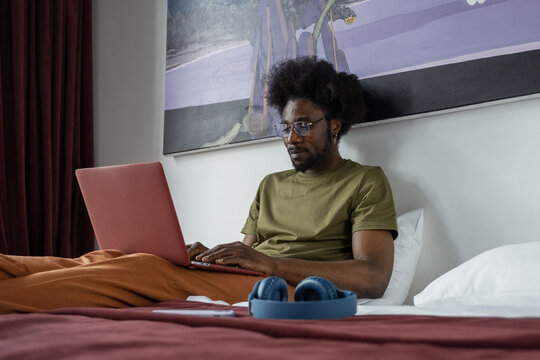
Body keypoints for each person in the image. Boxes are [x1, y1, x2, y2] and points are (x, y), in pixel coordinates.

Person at [0, 56, 397, 314]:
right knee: (105, 258)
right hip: (247, 277)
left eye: (304, 127)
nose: (292, 138)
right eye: (286, 127)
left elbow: (374, 278)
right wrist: (213, 255)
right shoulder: (271, 184)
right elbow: (247, 254)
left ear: (335, 125)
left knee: (143, 268)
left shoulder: (364, 181)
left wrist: (271, 264)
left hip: (283, 290)